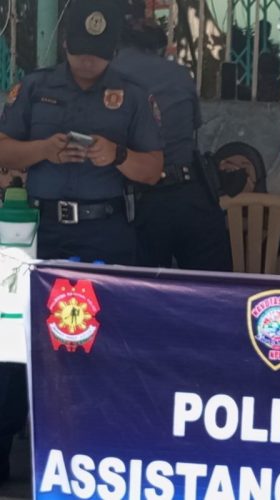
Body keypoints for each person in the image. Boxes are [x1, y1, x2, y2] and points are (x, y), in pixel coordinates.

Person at [0, 0, 163, 485]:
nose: (89, 62)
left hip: (105, 231)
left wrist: (117, 156)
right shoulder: (34, 88)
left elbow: (153, 170)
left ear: (113, 49)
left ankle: (100, 450)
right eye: (81, 51)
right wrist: (42, 150)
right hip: (42, 234)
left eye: (99, 52)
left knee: (103, 343)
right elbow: (4, 149)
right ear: (66, 44)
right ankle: (7, 445)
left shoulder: (133, 95)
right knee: (19, 341)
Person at [112, 1, 232, 271]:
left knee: (142, 292)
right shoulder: (179, 74)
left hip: (141, 201)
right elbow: (192, 129)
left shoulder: (109, 77)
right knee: (211, 289)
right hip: (192, 195)